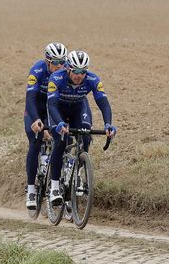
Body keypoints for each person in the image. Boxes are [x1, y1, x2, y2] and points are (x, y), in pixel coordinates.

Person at [46, 50, 116, 206]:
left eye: (83, 72)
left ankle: (76, 174)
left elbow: (103, 102)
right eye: (76, 71)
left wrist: (108, 123)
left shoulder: (92, 79)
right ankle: (55, 187)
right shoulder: (56, 78)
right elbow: (52, 105)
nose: (79, 75)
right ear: (68, 69)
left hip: (79, 108)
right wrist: (59, 123)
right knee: (60, 142)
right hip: (58, 110)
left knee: (85, 136)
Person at [23, 42, 68, 209]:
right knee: (35, 141)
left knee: (63, 138)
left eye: (63, 62)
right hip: (36, 108)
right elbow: (30, 98)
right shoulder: (38, 70)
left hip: (53, 107)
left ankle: (62, 185)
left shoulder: (67, 70)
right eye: (56, 62)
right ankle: (31, 190)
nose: (60, 66)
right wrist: (35, 119)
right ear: (47, 61)